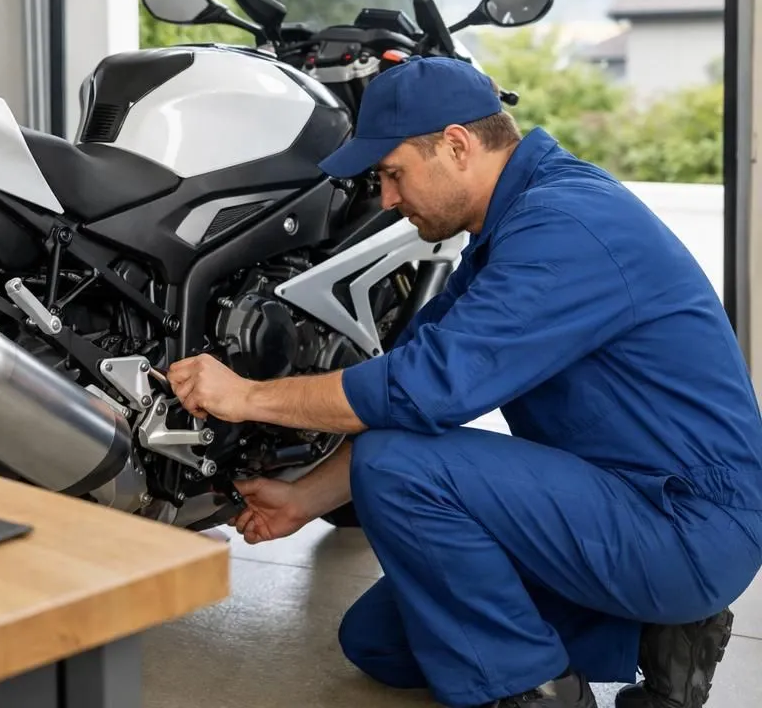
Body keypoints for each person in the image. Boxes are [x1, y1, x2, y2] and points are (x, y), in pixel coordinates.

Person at [166, 56, 762, 708]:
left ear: (456, 145)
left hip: (685, 522)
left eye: (394, 175)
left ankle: (535, 692)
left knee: (399, 467)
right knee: (380, 643)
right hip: (616, 503)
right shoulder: (504, 233)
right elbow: (409, 381)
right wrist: (303, 499)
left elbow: (420, 390)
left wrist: (247, 396)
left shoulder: (565, 226)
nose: (387, 199)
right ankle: (655, 635)